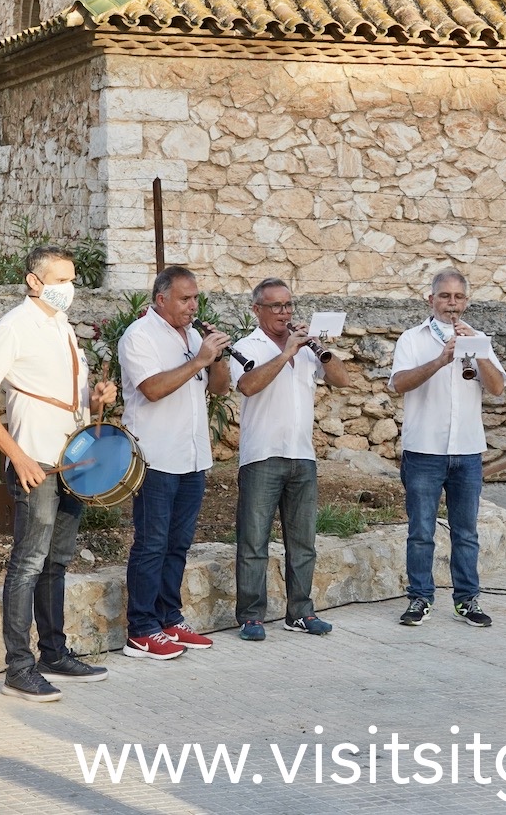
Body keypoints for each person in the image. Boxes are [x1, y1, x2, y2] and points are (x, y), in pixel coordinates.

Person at [0, 245, 117, 702]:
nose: (68, 289)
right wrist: (18, 455)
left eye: (72, 280)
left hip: (72, 460)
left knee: (56, 562)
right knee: (28, 564)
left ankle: (54, 653)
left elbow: (60, 394)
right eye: (60, 280)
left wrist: (95, 400)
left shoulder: (62, 327)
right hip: (37, 462)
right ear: (34, 281)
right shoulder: (14, 327)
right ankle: (18, 667)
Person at [118, 266, 233, 660]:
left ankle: (169, 619)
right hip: (155, 456)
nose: (193, 305)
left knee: (178, 544)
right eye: (185, 298)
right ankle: (141, 629)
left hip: (192, 455)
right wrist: (200, 359)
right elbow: (152, 389)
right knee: (151, 544)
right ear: (161, 298)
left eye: (196, 298)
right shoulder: (139, 336)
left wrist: (217, 358)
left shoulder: (195, 336)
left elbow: (219, 389)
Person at [231, 278, 350, 640]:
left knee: (303, 542)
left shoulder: (307, 346)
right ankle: (251, 617)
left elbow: (342, 380)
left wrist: (320, 349)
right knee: (253, 541)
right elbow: (248, 385)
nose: (284, 313)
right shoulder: (245, 346)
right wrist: (286, 354)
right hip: (262, 455)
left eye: (288, 305)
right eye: (276, 306)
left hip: (302, 455)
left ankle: (300, 612)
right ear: (257, 310)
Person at [389, 269, 506, 627]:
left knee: (466, 531)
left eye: (458, 298)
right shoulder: (411, 339)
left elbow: (498, 388)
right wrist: (441, 359)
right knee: (421, 531)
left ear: (466, 302)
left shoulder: (479, 338)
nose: (451, 304)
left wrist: (478, 351)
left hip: (467, 449)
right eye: (444, 296)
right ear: (431, 300)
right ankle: (420, 599)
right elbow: (399, 383)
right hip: (424, 449)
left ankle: (467, 600)